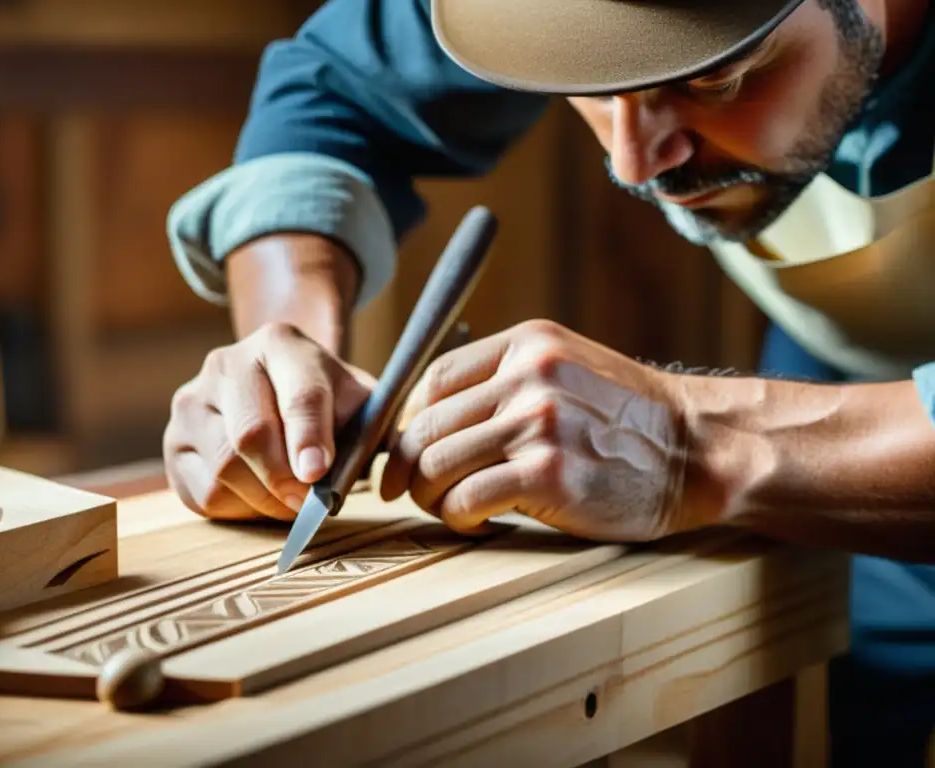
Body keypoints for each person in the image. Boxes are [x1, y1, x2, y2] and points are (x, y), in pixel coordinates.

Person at [163, 0, 935, 763]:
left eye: (716, 82)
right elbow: (331, 97)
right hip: (827, 395)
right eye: (599, 88)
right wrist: (286, 351)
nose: (632, 163)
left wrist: (691, 440)